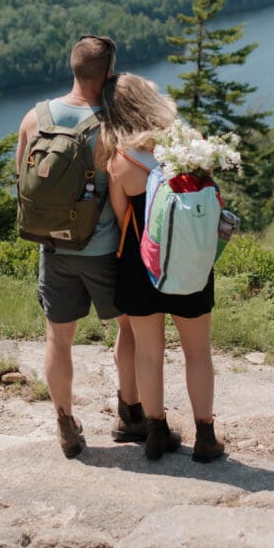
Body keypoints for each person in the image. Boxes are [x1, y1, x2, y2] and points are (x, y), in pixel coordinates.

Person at [16, 36, 145, 458]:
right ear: (109, 74)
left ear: (73, 68)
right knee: (129, 328)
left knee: (59, 338)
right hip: (105, 250)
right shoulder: (112, 127)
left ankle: (65, 420)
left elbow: (23, 184)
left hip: (53, 250)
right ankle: (130, 414)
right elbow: (120, 194)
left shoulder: (34, 119)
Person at [99, 72, 225, 463]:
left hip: (140, 265)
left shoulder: (120, 160)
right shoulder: (192, 145)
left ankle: (156, 432)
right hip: (189, 262)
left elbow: (122, 219)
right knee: (197, 352)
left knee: (149, 354)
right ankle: (205, 436)